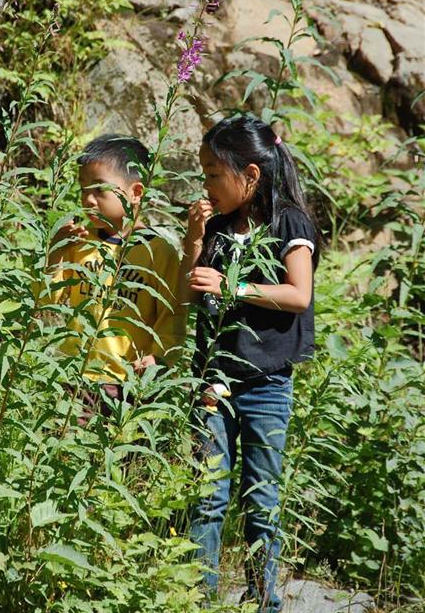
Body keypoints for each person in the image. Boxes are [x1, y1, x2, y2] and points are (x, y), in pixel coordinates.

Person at [180, 114, 319, 611]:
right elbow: (188, 293)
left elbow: (299, 294)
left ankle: (265, 601)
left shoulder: (289, 223)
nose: (206, 184)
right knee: (207, 495)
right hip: (213, 380)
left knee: (260, 499)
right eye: (204, 173)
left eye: (214, 173)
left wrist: (234, 285)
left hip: (265, 384)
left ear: (251, 175)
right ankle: (198, 599)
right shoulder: (217, 227)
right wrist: (195, 240)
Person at [46, 133, 185, 413]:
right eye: (83, 189)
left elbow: (172, 315)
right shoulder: (79, 243)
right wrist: (56, 252)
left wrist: (158, 358)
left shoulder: (157, 251)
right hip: (76, 375)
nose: (88, 199)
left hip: (128, 381)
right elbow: (46, 299)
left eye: (100, 190)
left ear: (135, 193)